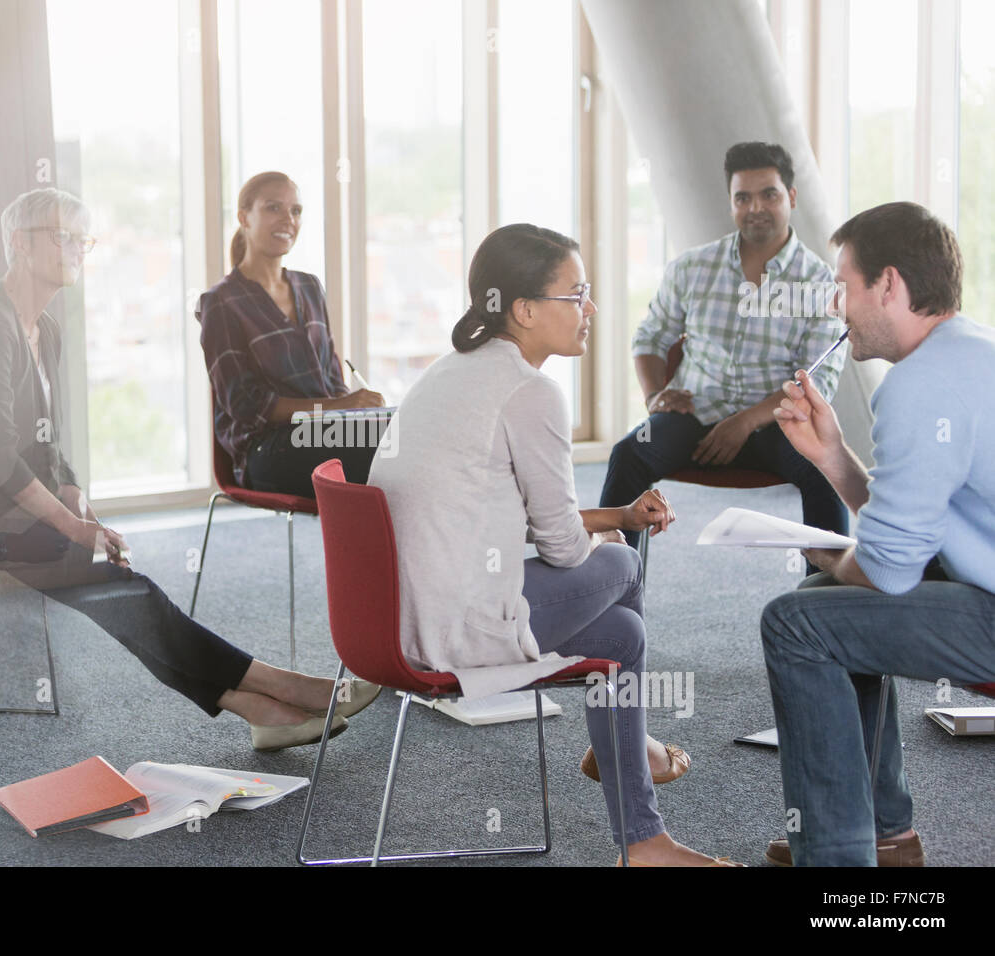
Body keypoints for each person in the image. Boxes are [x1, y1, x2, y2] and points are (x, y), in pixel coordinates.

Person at [0, 187, 379, 752]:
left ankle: (261, 705)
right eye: (62, 237)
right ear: (18, 246)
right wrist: (75, 529)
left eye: (83, 238)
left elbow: (46, 443)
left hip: (6, 504)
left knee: (117, 586)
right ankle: (280, 689)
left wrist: (82, 508)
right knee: (113, 585)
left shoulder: (42, 327)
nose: (76, 249)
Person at [368, 223, 740, 866]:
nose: (591, 308)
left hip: (398, 619)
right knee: (622, 563)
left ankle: (643, 842)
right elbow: (566, 551)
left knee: (621, 636)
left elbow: (524, 521)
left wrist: (616, 512)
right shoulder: (531, 391)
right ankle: (631, 743)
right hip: (453, 632)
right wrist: (614, 532)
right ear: (525, 310)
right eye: (578, 293)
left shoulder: (455, 370)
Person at [759, 201, 995, 866]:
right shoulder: (968, 351)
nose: (838, 307)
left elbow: (889, 571)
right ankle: (884, 834)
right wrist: (832, 455)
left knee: (795, 621)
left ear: (887, 285)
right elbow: (911, 527)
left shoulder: (921, 385)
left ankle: (837, 862)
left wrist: (825, 550)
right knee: (822, 599)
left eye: (844, 286)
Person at [600, 142, 848, 566]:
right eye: (743, 197)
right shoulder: (692, 268)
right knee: (629, 452)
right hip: (693, 416)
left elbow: (816, 380)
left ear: (791, 196)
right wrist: (654, 395)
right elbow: (649, 338)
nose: (755, 207)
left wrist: (745, 421)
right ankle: (610, 583)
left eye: (768, 194)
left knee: (824, 468)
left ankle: (824, 594)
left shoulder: (821, 285)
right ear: (731, 202)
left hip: (775, 423)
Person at [197, 171, 386, 499]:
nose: (288, 219)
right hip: (268, 449)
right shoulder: (221, 302)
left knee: (405, 431)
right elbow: (246, 405)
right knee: (388, 449)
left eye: (295, 211)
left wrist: (359, 411)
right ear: (244, 217)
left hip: (327, 434)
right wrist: (340, 407)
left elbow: (332, 378)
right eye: (273, 208)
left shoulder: (310, 287)